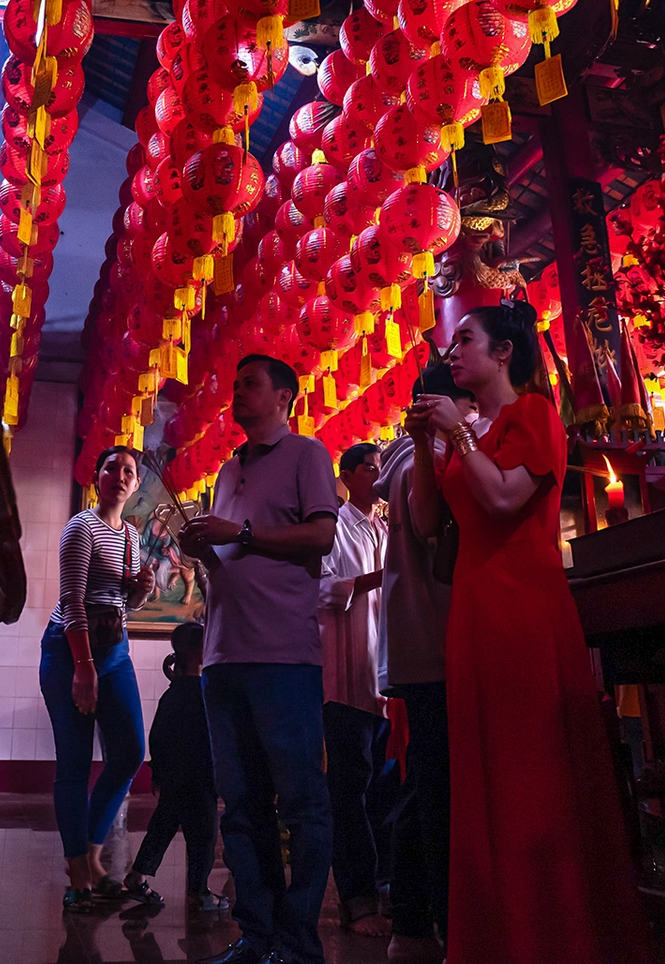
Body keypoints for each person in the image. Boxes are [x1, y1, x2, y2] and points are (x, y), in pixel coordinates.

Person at [410, 304, 646, 964]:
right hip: (474, 610)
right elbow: (428, 523)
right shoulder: (470, 424)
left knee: (530, 774)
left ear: (505, 352)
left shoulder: (533, 413)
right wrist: (431, 449)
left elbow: (508, 500)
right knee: (482, 775)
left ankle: (555, 937)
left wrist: (458, 437)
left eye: (465, 340)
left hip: (522, 608)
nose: (453, 352)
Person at [178, 354, 340, 964]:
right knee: (240, 805)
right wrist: (204, 551)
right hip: (223, 654)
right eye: (234, 381)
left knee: (300, 801)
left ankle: (300, 941)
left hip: (282, 654)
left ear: (284, 396)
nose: (237, 392)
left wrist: (239, 534)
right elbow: (231, 562)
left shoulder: (307, 454)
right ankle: (259, 934)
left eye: (250, 383)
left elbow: (320, 536)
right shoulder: (227, 469)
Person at [375, 364, 474, 962]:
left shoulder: (407, 459)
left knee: (423, 784)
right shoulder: (423, 461)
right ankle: (444, 920)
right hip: (433, 639)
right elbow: (428, 528)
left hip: (415, 642)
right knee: (438, 787)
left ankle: (412, 916)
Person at [41, 446, 156, 913]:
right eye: (112, 467)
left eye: (129, 471)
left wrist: (141, 594)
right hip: (71, 650)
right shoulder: (81, 527)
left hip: (114, 651)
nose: (121, 476)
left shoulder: (130, 534)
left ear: (134, 485)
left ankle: (91, 855)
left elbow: (119, 607)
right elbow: (72, 600)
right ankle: (77, 873)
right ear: (98, 476)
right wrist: (84, 667)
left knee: (129, 752)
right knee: (73, 762)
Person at [319, 442, 390, 938]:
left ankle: (384, 886)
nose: (379, 476)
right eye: (370, 468)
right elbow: (326, 590)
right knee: (347, 788)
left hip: (383, 674)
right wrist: (381, 577)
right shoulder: (333, 528)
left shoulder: (386, 528)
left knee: (380, 789)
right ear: (347, 476)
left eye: (382, 469)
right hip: (343, 676)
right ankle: (356, 899)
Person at [124, 622, 226, 914]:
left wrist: (157, 771)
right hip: (201, 778)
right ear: (199, 653)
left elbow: (157, 736)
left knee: (163, 825)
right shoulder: (205, 694)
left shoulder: (172, 694)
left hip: (173, 777)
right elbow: (212, 738)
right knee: (204, 835)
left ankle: (138, 875)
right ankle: (198, 891)